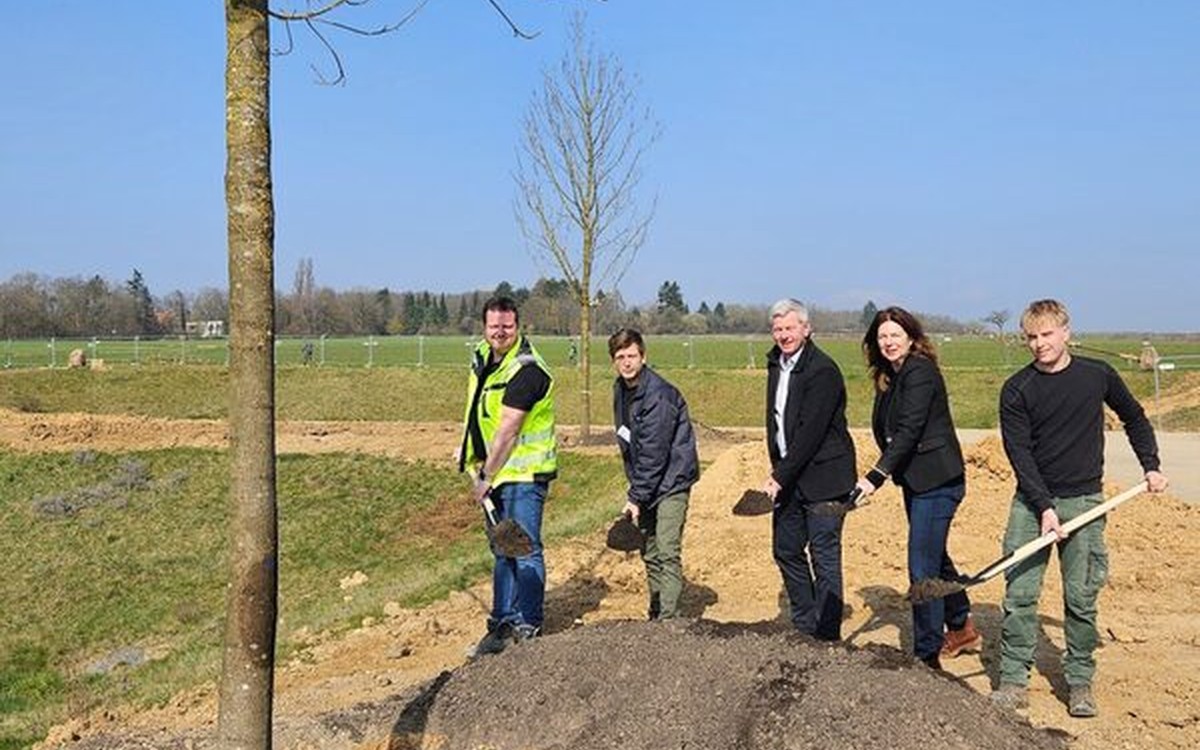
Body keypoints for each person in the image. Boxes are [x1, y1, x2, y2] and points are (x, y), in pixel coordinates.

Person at [993, 299, 1169, 717]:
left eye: (1047, 334)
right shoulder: (1017, 389)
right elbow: (1019, 454)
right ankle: (1014, 680)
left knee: (1081, 597)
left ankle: (1079, 681)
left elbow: (1135, 418)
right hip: (1031, 503)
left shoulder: (1097, 376)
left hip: (1086, 500)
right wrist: (1044, 508)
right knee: (1019, 595)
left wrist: (1151, 466)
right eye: (1031, 338)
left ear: (1066, 332)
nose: (1039, 344)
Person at [855, 307, 981, 668]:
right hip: (916, 480)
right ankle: (960, 625)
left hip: (939, 481)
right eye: (882, 337)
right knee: (935, 555)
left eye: (895, 335)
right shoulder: (889, 376)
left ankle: (926, 654)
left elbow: (909, 430)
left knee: (921, 566)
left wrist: (875, 476)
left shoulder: (920, 371)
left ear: (911, 337)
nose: (889, 342)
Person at [458, 295, 558, 656]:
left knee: (525, 548)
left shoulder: (527, 370)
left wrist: (485, 475)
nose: (499, 332)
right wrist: (468, 451)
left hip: (523, 474)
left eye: (507, 326)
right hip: (496, 471)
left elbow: (508, 431)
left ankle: (528, 625)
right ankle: (502, 623)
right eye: (493, 326)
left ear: (518, 327)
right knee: (503, 549)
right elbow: (478, 412)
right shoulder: (484, 358)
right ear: (484, 327)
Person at [762, 299, 857, 640]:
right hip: (790, 477)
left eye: (790, 328)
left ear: (806, 329)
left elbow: (810, 433)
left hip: (825, 479)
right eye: (778, 329)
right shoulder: (777, 364)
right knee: (785, 549)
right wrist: (779, 467)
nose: (784, 335)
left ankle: (828, 635)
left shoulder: (822, 371)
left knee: (824, 555)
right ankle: (805, 625)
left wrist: (778, 477)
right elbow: (777, 422)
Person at [609, 328, 700, 620]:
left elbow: (654, 452)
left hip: (672, 480)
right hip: (647, 481)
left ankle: (669, 622)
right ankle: (657, 610)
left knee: (666, 549)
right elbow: (629, 440)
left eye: (632, 356)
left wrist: (635, 496)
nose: (626, 362)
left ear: (643, 356)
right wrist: (636, 487)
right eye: (620, 357)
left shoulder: (658, 396)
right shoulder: (620, 390)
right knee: (648, 549)